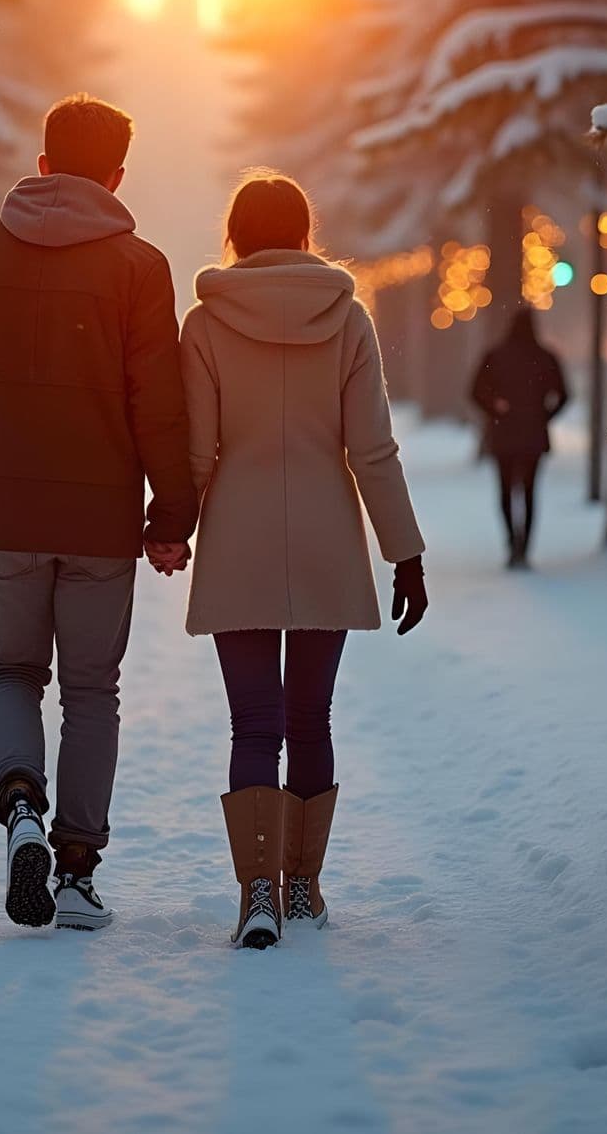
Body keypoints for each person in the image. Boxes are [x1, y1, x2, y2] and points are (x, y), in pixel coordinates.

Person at [0, 94, 197, 932]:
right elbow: (160, 406)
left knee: (12, 671)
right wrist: (171, 514)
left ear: (40, 165)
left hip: (4, 511)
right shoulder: (139, 269)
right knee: (91, 690)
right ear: (116, 176)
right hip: (100, 519)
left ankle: (21, 805)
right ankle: (76, 869)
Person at [177, 171, 428, 950]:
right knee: (309, 716)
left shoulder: (205, 325)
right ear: (305, 234)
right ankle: (304, 886)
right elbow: (372, 450)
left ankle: (257, 890)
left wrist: (171, 528)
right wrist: (405, 552)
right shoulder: (349, 320)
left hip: (240, 541)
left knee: (253, 720)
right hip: (324, 538)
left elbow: (197, 452)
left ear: (236, 238)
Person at [470, 306, 568, 570]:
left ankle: (511, 541)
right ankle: (524, 546)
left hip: (504, 432)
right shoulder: (546, 357)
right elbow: (564, 394)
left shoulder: (495, 356)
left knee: (504, 489)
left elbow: (476, 391)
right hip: (534, 434)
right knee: (529, 490)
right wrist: (543, 415)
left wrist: (495, 408)